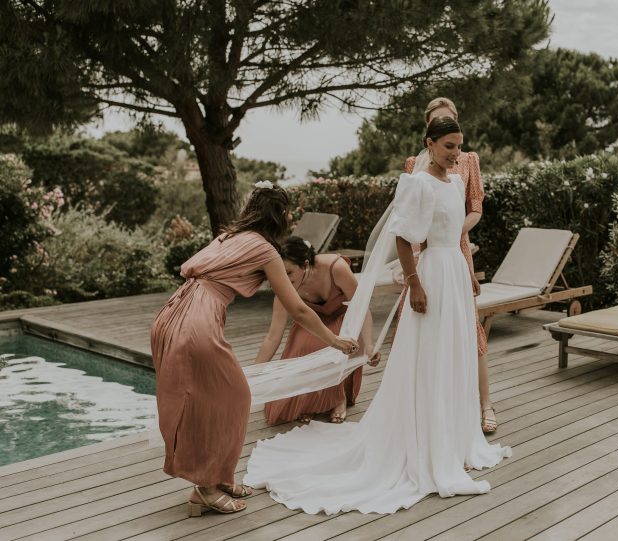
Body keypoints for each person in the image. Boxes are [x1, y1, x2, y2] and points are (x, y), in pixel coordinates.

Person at [244, 117, 511, 515]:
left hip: (455, 272)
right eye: (449, 146)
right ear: (430, 144)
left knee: (455, 355)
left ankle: (455, 442)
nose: (456, 154)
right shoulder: (417, 183)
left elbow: (459, 236)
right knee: (429, 356)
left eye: (459, 146)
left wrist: (468, 274)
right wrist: (415, 283)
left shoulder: (456, 183)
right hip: (432, 274)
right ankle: (426, 444)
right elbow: (404, 238)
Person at [150, 182, 358, 517]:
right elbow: (299, 309)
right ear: (281, 216)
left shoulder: (229, 236)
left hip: (174, 312)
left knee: (221, 397)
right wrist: (334, 341)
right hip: (197, 319)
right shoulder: (265, 250)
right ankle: (205, 488)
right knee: (231, 399)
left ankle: (219, 478)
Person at [402, 97, 496, 434]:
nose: (454, 149)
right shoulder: (415, 167)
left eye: (450, 119)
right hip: (428, 256)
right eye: (438, 121)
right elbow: (410, 223)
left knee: (469, 328)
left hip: (458, 253)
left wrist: (454, 233)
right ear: (429, 131)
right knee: (430, 332)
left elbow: (475, 206)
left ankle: (484, 404)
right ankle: (428, 412)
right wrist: (413, 274)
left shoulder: (467, 161)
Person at [257, 236, 380, 425]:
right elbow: (273, 337)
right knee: (304, 345)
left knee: (339, 343)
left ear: (305, 264)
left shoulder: (335, 268)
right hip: (311, 322)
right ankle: (311, 401)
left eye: (289, 272)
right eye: (280, 274)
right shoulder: (284, 288)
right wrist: (255, 372)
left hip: (343, 317)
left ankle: (338, 398)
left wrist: (369, 344)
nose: (284, 280)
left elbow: (362, 308)